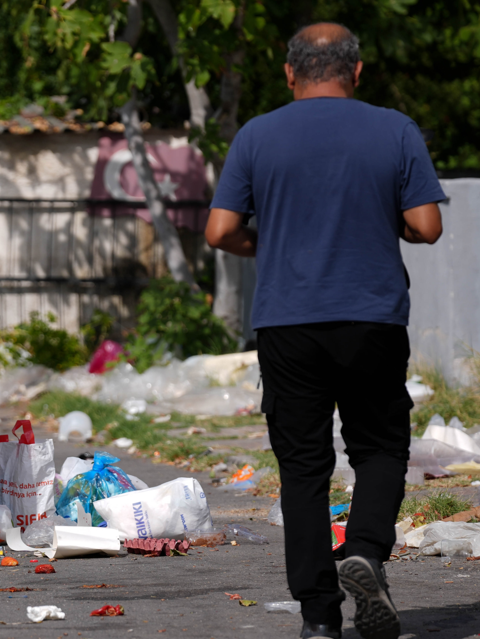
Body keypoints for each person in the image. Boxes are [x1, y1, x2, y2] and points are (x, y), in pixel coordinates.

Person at [205, 22, 445, 639]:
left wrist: (269, 240)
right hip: (372, 317)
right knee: (381, 447)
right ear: (356, 71)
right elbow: (426, 226)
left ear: (290, 72)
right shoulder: (394, 128)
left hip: (287, 321)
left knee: (304, 467)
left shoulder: (256, 135)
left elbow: (219, 233)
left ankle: (318, 619)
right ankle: (364, 548)